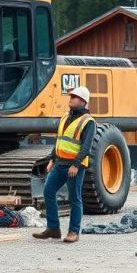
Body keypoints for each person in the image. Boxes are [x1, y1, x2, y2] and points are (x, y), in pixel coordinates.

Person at [33, 86, 97, 244]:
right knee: (48, 191)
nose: (71, 99)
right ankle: (53, 229)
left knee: (75, 198)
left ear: (82, 101)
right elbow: (59, 140)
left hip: (74, 167)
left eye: (74, 97)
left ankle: (74, 232)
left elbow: (86, 147)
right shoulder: (65, 117)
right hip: (59, 164)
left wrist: (76, 165)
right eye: (71, 96)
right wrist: (52, 159)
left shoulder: (88, 122)